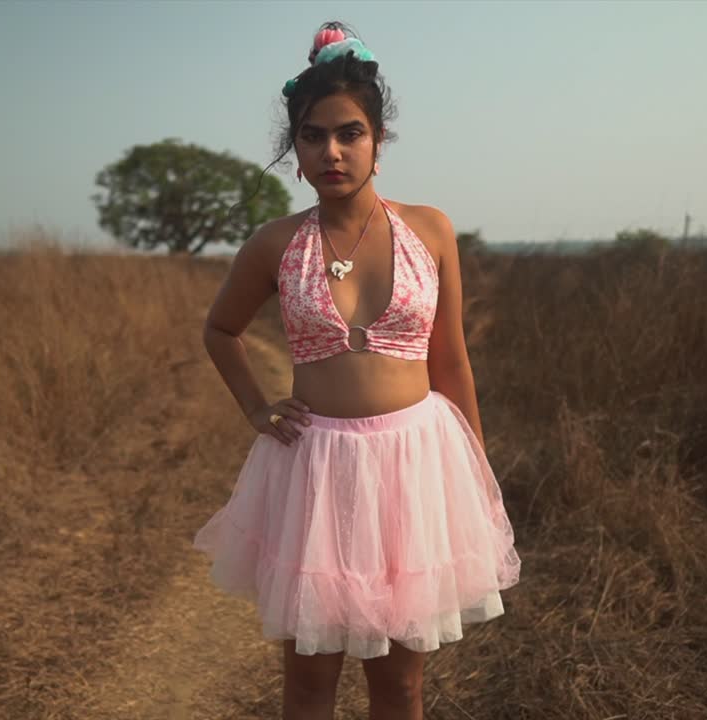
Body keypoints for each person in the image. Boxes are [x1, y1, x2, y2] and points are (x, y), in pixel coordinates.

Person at [193, 21, 521, 720]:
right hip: (316, 470)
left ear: (378, 140)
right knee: (310, 682)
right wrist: (256, 408)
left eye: (350, 133)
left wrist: (475, 473)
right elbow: (220, 330)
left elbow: (451, 360)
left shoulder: (430, 230)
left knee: (399, 685)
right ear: (295, 147)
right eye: (313, 136)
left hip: (414, 467)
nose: (332, 151)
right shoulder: (275, 244)